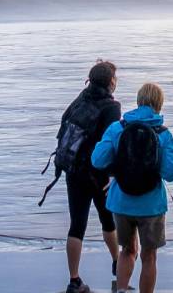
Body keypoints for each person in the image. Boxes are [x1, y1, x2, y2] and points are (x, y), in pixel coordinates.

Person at [91, 82, 173, 293]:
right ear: (159, 104)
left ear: (139, 101)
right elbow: (172, 173)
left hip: (121, 200)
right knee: (149, 256)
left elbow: (97, 160)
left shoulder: (117, 128)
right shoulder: (163, 133)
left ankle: (122, 290)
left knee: (127, 250)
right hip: (151, 205)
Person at [57, 61, 123, 293]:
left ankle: (74, 280)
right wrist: (113, 175)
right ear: (111, 81)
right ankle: (117, 262)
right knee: (108, 220)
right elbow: (112, 142)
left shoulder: (81, 98)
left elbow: (63, 124)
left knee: (77, 225)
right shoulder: (111, 107)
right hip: (97, 174)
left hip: (73, 170)